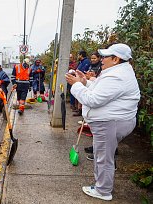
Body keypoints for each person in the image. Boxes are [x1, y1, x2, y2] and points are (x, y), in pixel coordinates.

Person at [65, 43, 140, 201]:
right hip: (113, 121)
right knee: (104, 155)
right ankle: (102, 186)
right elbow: (103, 91)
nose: (101, 59)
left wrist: (77, 85)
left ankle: (103, 190)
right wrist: (85, 83)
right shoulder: (118, 71)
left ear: (115, 59)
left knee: (104, 158)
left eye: (105, 57)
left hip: (110, 123)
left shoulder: (116, 76)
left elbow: (94, 99)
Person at [73, 50, 91, 116]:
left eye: (78, 55)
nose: (78, 56)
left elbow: (83, 71)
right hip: (79, 79)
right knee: (77, 96)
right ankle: (78, 109)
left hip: (83, 80)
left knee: (81, 94)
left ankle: (80, 111)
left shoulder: (86, 62)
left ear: (81, 55)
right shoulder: (81, 62)